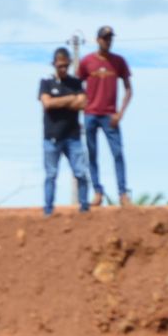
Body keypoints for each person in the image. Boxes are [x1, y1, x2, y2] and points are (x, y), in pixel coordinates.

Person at [76, 25, 133, 206]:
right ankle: (98, 192)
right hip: (90, 115)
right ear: (98, 40)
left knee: (118, 153)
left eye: (110, 38)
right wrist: (81, 106)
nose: (108, 41)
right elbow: (76, 85)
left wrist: (120, 113)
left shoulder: (119, 61)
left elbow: (128, 89)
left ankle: (122, 193)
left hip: (110, 116)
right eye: (105, 38)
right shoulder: (87, 61)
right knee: (92, 154)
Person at [38, 47, 92, 217]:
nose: (63, 69)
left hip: (73, 137)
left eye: (65, 65)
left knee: (81, 173)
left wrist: (58, 102)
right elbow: (47, 103)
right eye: (60, 65)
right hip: (52, 137)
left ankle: (84, 208)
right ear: (54, 64)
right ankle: (48, 211)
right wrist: (70, 99)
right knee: (51, 175)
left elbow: (83, 103)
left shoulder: (76, 83)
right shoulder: (46, 82)